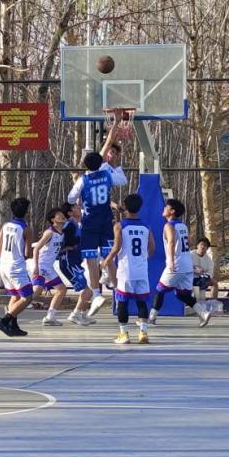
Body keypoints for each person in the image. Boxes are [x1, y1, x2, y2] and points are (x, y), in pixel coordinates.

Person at [67, 121, 128, 317]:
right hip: (106, 222)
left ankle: (96, 294)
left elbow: (70, 199)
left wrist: (79, 192)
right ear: (101, 162)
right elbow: (122, 180)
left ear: (86, 165)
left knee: (91, 258)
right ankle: (118, 292)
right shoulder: (108, 175)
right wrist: (115, 125)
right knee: (109, 258)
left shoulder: (83, 180)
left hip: (90, 223)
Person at [102, 193, 155, 344]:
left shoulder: (120, 226)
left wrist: (106, 261)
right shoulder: (146, 226)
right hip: (141, 270)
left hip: (126, 270)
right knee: (141, 302)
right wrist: (143, 259)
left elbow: (116, 248)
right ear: (140, 207)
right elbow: (152, 248)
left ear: (125, 207)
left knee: (123, 302)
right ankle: (143, 333)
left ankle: (124, 334)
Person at [150, 199, 212, 327]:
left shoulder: (169, 225)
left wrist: (171, 261)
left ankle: (151, 318)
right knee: (182, 295)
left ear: (172, 211)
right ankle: (203, 313)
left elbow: (172, 242)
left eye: (166, 207)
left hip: (176, 264)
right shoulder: (183, 226)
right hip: (187, 264)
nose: (164, 208)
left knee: (160, 290)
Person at [0, 197, 35, 337]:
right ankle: (5, 320)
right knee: (27, 297)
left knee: (15, 295)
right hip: (16, 267)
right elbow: (28, 253)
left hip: (4, 265)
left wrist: (3, 258)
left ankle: (13, 325)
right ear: (26, 212)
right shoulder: (26, 229)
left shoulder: (6, 225)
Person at [58, 202, 94, 326]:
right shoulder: (69, 226)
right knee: (87, 290)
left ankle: (82, 314)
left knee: (88, 289)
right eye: (75, 207)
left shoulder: (77, 224)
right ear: (70, 213)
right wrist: (67, 247)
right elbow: (62, 242)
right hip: (69, 262)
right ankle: (75, 314)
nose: (78, 208)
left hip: (76, 261)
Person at [32, 207, 68, 327]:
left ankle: (50, 317)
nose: (62, 216)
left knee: (39, 291)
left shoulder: (61, 233)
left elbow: (54, 249)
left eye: (62, 214)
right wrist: (35, 266)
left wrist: (68, 248)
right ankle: (13, 307)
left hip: (48, 266)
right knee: (60, 290)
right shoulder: (49, 233)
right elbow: (36, 248)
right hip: (42, 266)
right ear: (53, 219)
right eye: (58, 215)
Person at [192, 237, 219, 303]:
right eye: (201, 244)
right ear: (197, 245)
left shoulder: (209, 260)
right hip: (190, 278)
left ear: (207, 248)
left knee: (214, 282)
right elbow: (185, 268)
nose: (203, 247)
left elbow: (210, 272)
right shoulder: (190, 255)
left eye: (205, 245)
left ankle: (213, 302)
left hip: (202, 279)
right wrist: (195, 269)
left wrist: (205, 276)